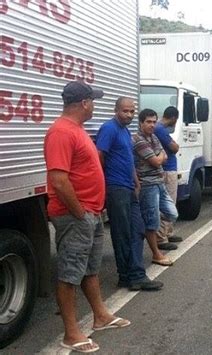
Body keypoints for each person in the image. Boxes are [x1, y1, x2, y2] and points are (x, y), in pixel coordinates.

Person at [44, 81, 130, 353]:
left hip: (90, 214)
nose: (94, 104)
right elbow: (58, 180)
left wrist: (93, 209)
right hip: (76, 217)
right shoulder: (61, 132)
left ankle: (101, 315)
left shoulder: (76, 130)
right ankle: (71, 333)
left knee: (89, 269)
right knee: (70, 274)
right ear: (83, 103)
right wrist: (80, 213)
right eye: (92, 100)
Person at [96, 97, 162, 291]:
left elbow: (128, 160)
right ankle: (128, 276)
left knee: (137, 229)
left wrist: (135, 181)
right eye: (126, 111)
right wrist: (103, 183)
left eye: (132, 111)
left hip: (129, 187)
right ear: (116, 110)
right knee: (122, 233)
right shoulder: (109, 128)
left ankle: (134, 274)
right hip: (116, 187)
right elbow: (99, 155)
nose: (130, 115)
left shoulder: (125, 132)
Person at [133, 108, 178, 264]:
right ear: (141, 123)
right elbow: (158, 160)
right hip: (148, 185)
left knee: (172, 213)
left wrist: (158, 157)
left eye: (153, 122)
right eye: (148, 122)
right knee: (152, 222)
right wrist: (158, 157)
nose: (152, 125)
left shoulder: (153, 137)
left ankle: (151, 225)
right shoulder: (138, 139)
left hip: (159, 182)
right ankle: (156, 253)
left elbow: (163, 156)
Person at [154, 106, 183, 250]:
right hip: (166, 170)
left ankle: (168, 232)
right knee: (168, 203)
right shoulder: (160, 129)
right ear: (173, 118)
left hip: (167, 169)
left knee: (171, 201)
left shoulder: (159, 128)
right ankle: (161, 238)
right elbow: (174, 147)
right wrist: (176, 145)